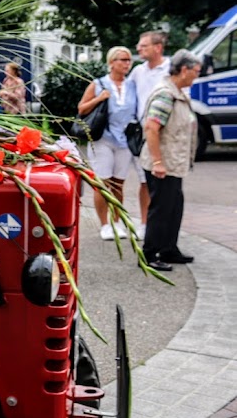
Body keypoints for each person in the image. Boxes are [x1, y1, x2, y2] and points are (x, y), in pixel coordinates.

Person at [139, 49, 202, 271]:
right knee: (161, 209)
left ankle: (168, 248)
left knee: (174, 207)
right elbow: (152, 128)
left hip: (174, 163)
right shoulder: (166, 94)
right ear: (183, 69)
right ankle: (148, 254)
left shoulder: (178, 92)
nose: (197, 75)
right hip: (162, 164)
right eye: (195, 71)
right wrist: (157, 162)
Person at [77, 46, 138, 241]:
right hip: (103, 139)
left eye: (129, 60)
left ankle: (116, 222)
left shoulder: (132, 85)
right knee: (103, 183)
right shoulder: (99, 84)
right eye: (123, 59)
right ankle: (104, 225)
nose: (127, 63)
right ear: (111, 62)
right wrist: (99, 98)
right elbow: (82, 109)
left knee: (119, 185)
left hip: (124, 141)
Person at [127, 30, 171, 234]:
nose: (138, 48)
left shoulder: (171, 68)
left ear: (158, 48)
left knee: (167, 184)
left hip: (168, 134)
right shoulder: (137, 71)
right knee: (145, 180)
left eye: (144, 45)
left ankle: (162, 226)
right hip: (145, 133)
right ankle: (145, 224)